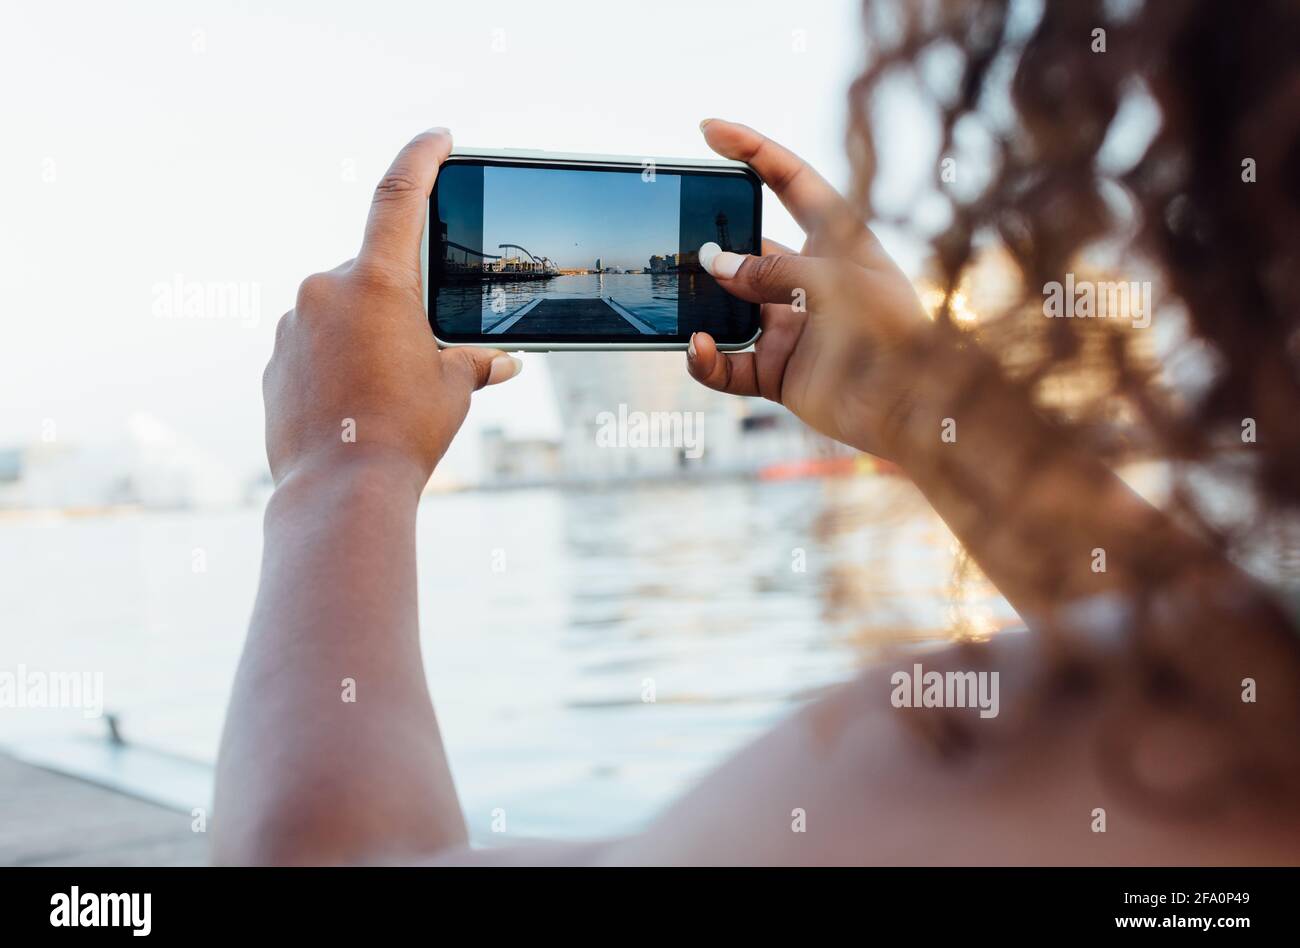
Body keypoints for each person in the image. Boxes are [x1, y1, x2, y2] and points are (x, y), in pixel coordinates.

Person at [213, 3, 1300, 865]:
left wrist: (342, 466)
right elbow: (1213, 671)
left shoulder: (988, 770)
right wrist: (930, 405)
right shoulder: (1242, 728)